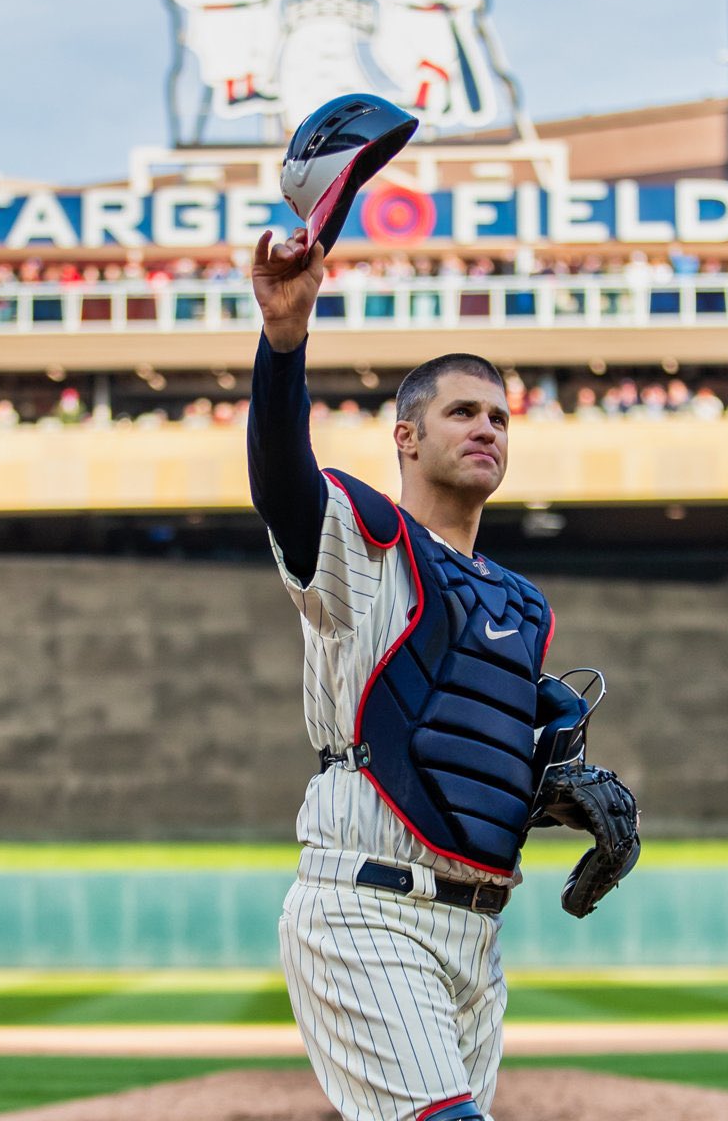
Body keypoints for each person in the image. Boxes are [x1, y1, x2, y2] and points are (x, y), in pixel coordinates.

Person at [247, 226, 635, 1121]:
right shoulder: (365, 541)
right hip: (365, 907)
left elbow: (467, 752)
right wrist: (283, 343)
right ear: (407, 438)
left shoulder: (522, 604)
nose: (488, 428)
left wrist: (561, 796)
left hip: (476, 932)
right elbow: (281, 481)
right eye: (464, 412)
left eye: (499, 416)